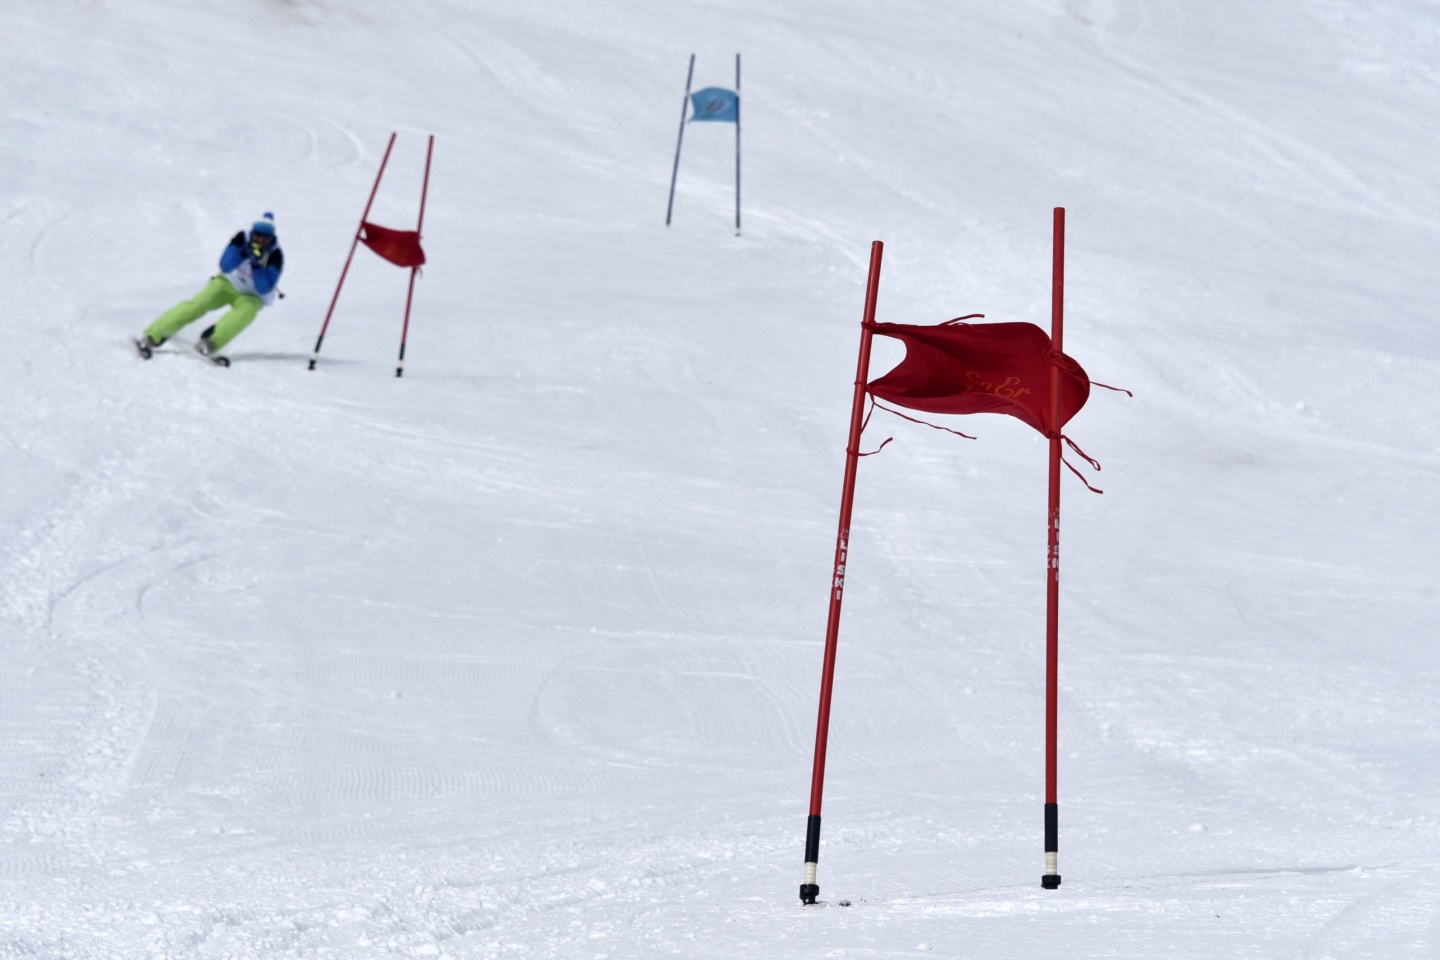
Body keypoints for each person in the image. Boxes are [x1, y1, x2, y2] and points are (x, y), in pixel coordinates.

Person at [136, 213, 284, 359]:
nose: (261, 240)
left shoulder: (276, 254)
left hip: (253, 295)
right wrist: (243, 254)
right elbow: (225, 265)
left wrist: (256, 265)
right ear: (252, 233)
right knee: (198, 305)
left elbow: (264, 287)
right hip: (228, 282)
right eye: (258, 235)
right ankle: (154, 335)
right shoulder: (241, 239)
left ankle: (211, 342)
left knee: (244, 314)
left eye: (266, 237)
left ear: (272, 238)